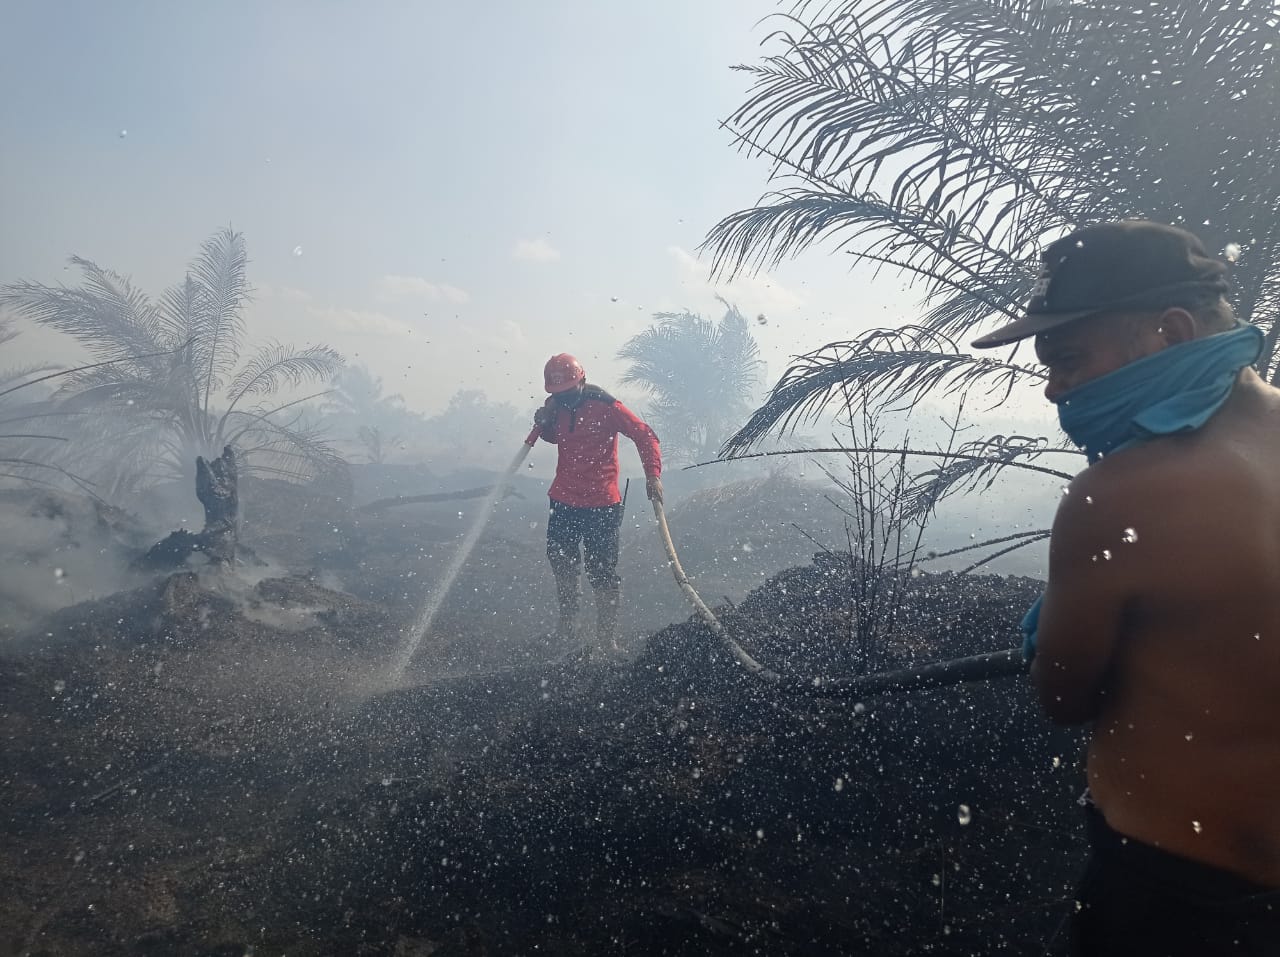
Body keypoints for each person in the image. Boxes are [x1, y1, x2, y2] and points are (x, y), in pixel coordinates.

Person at [972, 220, 1280, 956]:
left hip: (1177, 903)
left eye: (1068, 357)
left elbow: (1064, 698)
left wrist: (1056, 632)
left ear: (1170, 331)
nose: (1053, 387)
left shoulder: (1118, 496)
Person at [525, 353, 662, 653]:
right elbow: (558, 437)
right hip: (563, 499)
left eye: (569, 393)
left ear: (582, 382)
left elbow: (644, 434)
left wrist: (653, 475)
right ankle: (566, 629)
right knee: (562, 564)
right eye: (558, 395)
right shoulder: (556, 406)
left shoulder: (605, 405)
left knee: (602, 572)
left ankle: (606, 640)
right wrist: (544, 424)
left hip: (602, 502)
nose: (564, 400)